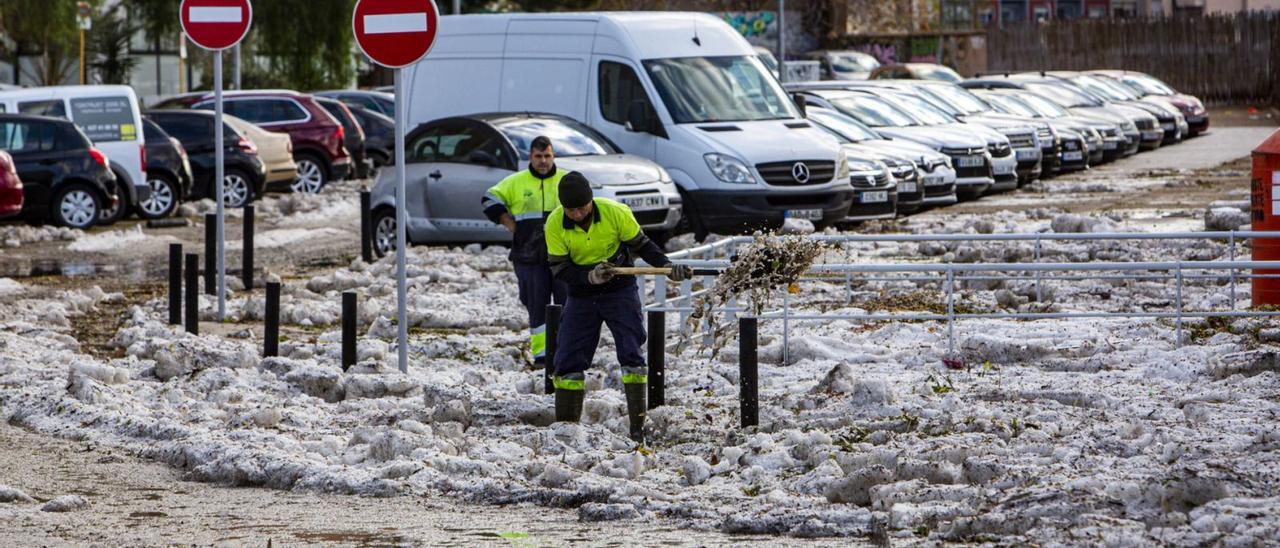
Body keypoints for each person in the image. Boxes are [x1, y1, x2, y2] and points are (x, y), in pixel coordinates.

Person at [545, 171, 693, 443]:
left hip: (619, 291)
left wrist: (667, 266)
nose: (577, 214)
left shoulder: (615, 213)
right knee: (568, 358)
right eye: (571, 210)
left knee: (631, 352)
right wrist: (589, 276)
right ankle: (566, 429)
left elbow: (643, 246)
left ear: (591, 201)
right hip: (581, 296)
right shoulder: (555, 223)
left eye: (581, 208)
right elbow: (559, 268)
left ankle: (637, 429)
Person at [481, 136, 567, 369]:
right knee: (536, 305)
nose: (543, 161)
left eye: (547, 156)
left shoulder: (566, 180)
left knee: (567, 304)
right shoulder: (516, 182)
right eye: (538, 157)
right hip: (528, 256)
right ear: (530, 157)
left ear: (553, 156)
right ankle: (541, 354)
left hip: (564, 257)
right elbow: (489, 199)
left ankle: (565, 350)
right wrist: (511, 225)